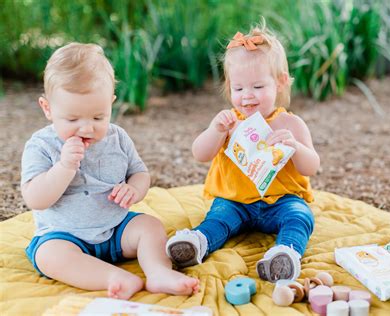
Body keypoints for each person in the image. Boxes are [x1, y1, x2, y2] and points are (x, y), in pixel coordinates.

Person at [21, 43, 199, 300]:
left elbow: (140, 172)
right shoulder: (42, 145)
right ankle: (113, 278)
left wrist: (133, 189)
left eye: (98, 117)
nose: (86, 128)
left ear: (111, 104)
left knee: (150, 226)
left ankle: (158, 272)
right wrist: (63, 167)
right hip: (65, 234)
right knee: (49, 256)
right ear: (47, 108)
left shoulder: (118, 138)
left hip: (116, 230)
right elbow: (35, 198)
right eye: (72, 119)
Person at [166, 22, 320, 282]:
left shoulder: (290, 124)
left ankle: (285, 254)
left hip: (281, 201)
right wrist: (216, 131)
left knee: (300, 216)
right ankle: (198, 242)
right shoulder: (229, 123)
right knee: (218, 218)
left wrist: (295, 147)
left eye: (258, 87)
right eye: (239, 89)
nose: (247, 96)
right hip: (236, 201)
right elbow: (200, 153)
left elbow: (311, 167)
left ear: (280, 83)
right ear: (229, 88)